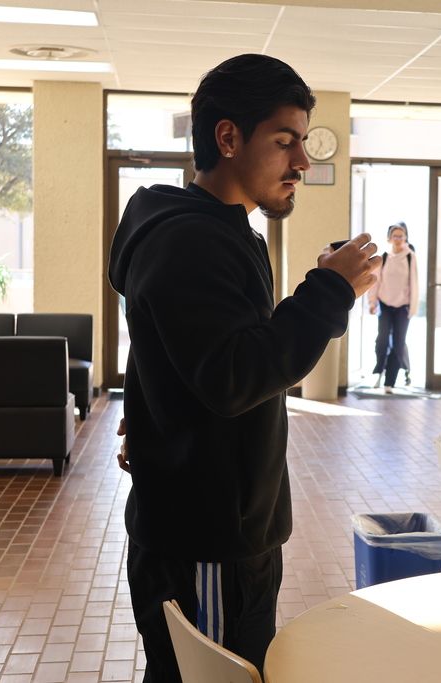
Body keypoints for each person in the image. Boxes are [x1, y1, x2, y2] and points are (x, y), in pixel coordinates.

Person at [108, 54, 380, 682]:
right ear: (228, 138)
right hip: (208, 539)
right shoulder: (192, 239)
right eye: (285, 141)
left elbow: (173, 344)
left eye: (304, 142)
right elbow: (235, 376)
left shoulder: (215, 231)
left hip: (215, 526)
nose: (303, 163)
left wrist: (148, 416)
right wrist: (327, 292)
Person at [367, 221, 420, 393]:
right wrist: (372, 303)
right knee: (382, 341)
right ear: (389, 239)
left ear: (405, 238)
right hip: (384, 305)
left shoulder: (410, 257)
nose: (398, 239)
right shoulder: (383, 257)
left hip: (403, 307)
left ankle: (389, 382)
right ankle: (378, 371)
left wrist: (412, 308)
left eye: (401, 236)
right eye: (395, 236)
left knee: (398, 344)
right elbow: (375, 282)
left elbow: (415, 284)